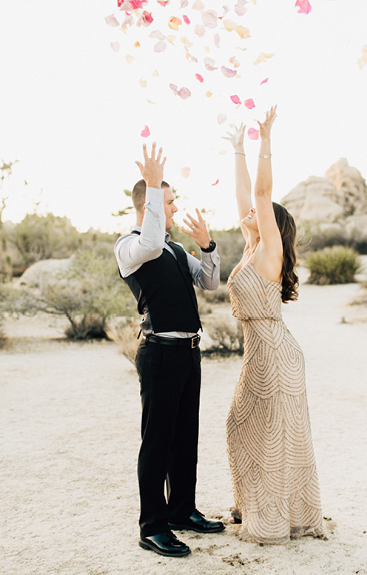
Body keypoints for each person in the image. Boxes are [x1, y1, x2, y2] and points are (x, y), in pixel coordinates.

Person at [115, 142, 225, 558]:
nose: (175, 209)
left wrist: (208, 246)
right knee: (157, 441)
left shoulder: (177, 249)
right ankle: (152, 526)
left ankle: (181, 511)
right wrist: (155, 185)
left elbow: (210, 283)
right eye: (168, 202)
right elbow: (150, 243)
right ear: (149, 205)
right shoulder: (129, 247)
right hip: (158, 353)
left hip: (190, 353)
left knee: (185, 438)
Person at [223, 107, 324, 544]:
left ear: (271, 227)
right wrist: (238, 150)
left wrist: (265, 140)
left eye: (260, 215)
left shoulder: (269, 254)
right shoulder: (251, 249)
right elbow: (247, 197)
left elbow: (261, 198)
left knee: (273, 437)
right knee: (242, 427)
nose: (248, 212)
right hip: (258, 351)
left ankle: (273, 520)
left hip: (276, 354)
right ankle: (255, 507)